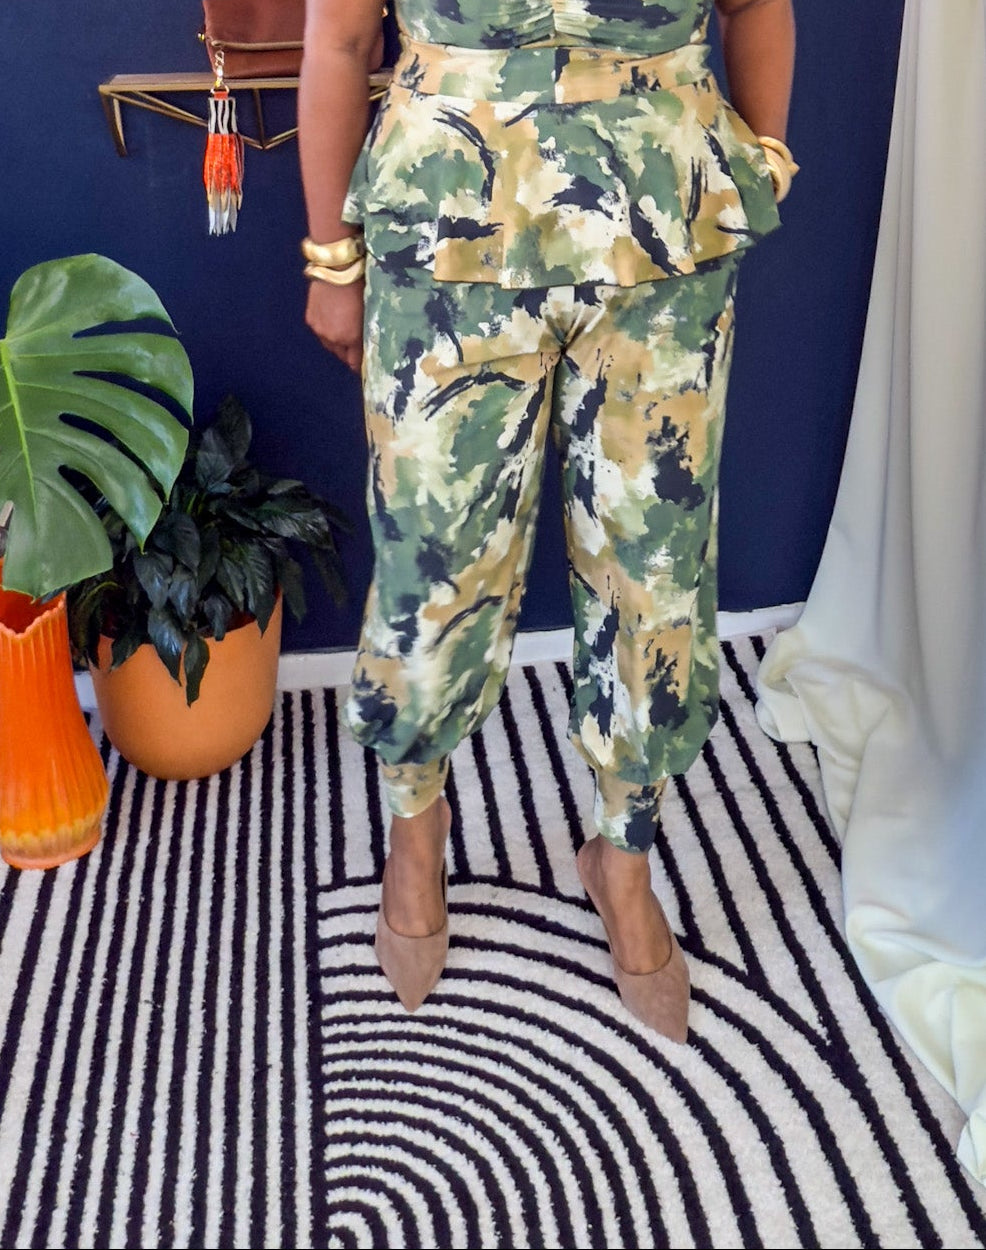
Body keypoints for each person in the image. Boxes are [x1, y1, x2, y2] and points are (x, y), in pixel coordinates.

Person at [298, 0, 796, 1041]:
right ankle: (415, 826)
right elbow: (341, 38)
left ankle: (622, 852)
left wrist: (765, 157)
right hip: (445, 241)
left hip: (664, 238)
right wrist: (329, 260)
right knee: (432, 562)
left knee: (654, 566)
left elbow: (757, 5)